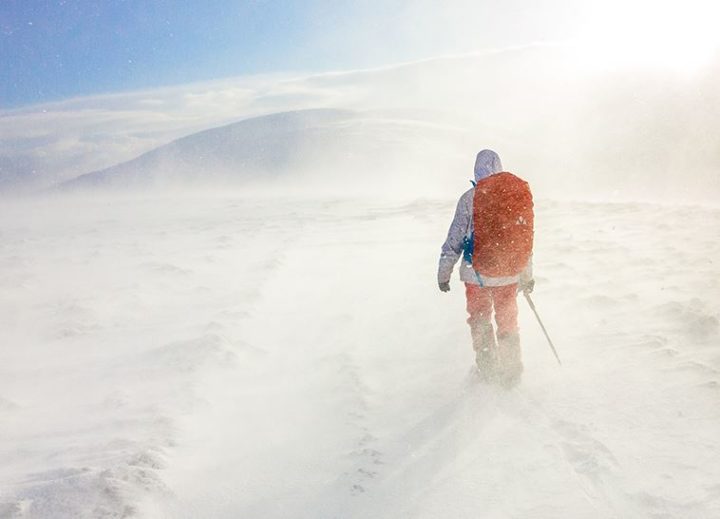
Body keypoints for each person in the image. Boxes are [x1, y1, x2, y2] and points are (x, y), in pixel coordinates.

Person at [438, 149, 534, 386]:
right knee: (507, 321)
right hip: (508, 276)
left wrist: (444, 273)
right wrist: (526, 275)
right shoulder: (513, 198)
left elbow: (455, 239)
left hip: (475, 275)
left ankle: (488, 369)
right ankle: (511, 373)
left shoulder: (469, 198)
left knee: (480, 320)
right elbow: (522, 240)